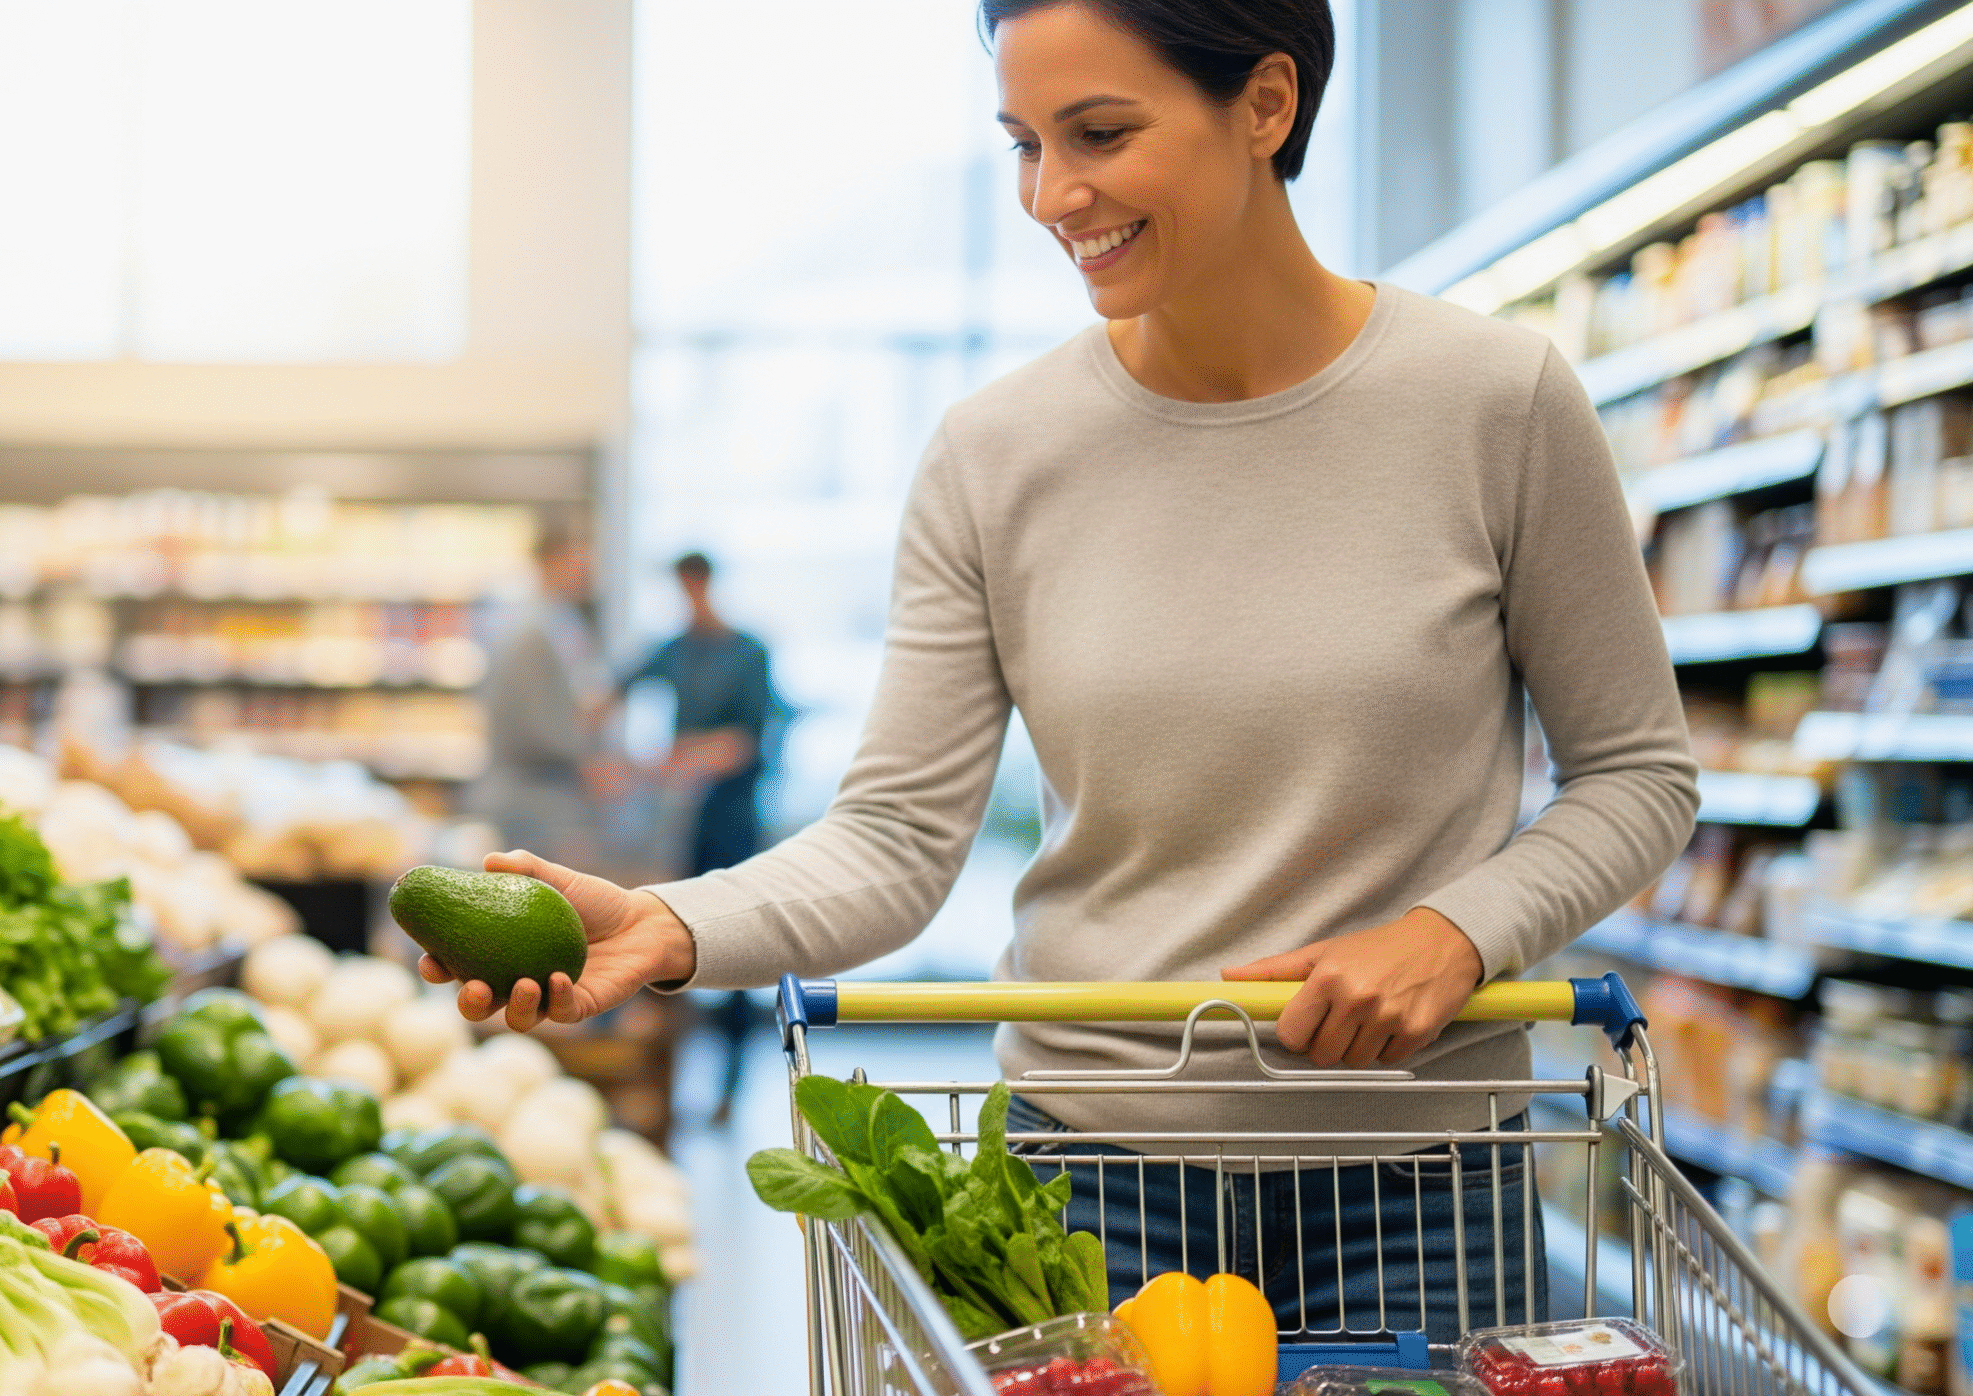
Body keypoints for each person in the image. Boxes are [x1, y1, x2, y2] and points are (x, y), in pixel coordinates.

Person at [425, 0, 1696, 1334]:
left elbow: (1637, 777)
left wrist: (1455, 931)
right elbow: (898, 834)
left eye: (1098, 133)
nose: (1050, 194)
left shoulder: (1497, 404)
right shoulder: (997, 455)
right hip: (1086, 1190)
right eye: (1024, 142)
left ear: (1267, 104)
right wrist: (675, 925)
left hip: (1428, 1187)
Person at [617, 551, 780, 1123]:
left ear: (707, 582)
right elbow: (613, 690)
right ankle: (672, 1085)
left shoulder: (748, 652)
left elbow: (751, 742)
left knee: (740, 952)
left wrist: (679, 758)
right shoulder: (672, 648)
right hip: (679, 825)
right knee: (669, 947)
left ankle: (730, 1089)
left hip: (734, 820)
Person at [463, 526, 611, 870]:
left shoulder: (559, 621)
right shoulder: (530, 628)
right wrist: (586, 761)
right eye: (576, 559)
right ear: (549, 561)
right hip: (531, 795)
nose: (586, 569)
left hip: (545, 791)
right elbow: (534, 725)